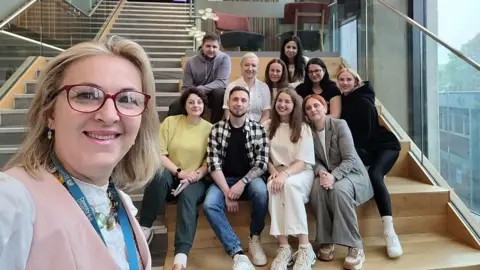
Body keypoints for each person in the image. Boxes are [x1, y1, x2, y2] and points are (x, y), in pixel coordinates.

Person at [0, 36, 161, 270]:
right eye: (86, 95)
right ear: (50, 113)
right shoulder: (12, 200)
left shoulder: (120, 202)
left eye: (127, 99)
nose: (109, 115)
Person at [139, 87, 213, 270]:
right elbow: (160, 154)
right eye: (191, 102)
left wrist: (193, 177)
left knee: (188, 198)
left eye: (199, 102)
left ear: (204, 106)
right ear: (184, 105)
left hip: (196, 179)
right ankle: (145, 228)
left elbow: (209, 161)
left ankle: (180, 257)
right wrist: (180, 173)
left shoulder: (210, 129)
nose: (195, 105)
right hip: (173, 173)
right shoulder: (170, 122)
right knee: (157, 175)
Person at [337, 68, 403, 258]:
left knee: (375, 175)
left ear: (356, 82)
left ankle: (390, 233)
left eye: (348, 79)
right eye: (341, 79)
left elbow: (363, 136)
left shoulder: (363, 102)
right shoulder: (345, 100)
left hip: (386, 147)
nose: (344, 83)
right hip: (368, 150)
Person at [303, 94, 374, 270]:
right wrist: (322, 173)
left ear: (325, 107)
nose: (313, 109)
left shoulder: (339, 125)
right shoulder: (308, 132)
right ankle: (327, 240)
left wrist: (333, 176)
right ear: (306, 114)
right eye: (309, 108)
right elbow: (313, 160)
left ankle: (355, 246)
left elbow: (350, 159)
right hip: (328, 174)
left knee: (339, 190)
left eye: (316, 105)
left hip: (353, 174)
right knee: (317, 190)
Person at [203, 86, 269, 270]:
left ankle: (255, 238)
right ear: (228, 103)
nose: (239, 103)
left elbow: (261, 164)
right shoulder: (216, 129)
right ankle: (237, 253)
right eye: (235, 99)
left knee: (261, 193)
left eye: (243, 100)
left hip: (249, 179)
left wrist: (242, 183)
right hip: (224, 179)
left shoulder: (258, 129)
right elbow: (213, 164)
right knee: (210, 205)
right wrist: (227, 192)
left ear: (248, 105)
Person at [263, 88, 316, 270]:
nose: (282, 105)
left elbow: (302, 161)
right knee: (273, 187)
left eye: (287, 102)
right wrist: (274, 172)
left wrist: (285, 175)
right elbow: (265, 157)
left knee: (290, 186)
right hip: (277, 172)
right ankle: (284, 247)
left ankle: (304, 247)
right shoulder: (268, 126)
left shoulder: (303, 128)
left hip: (300, 172)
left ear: (294, 106)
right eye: (280, 101)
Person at [168, 32, 231, 123]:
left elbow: (221, 82)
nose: (211, 49)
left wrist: (200, 88)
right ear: (202, 46)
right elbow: (187, 86)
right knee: (174, 106)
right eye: (208, 46)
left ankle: (214, 126)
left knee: (219, 92)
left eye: (214, 47)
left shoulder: (224, 58)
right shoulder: (191, 62)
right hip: (195, 94)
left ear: (219, 47)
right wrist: (195, 94)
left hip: (213, 95)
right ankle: (174, 131)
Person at [223, 52, 271, 124]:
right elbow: (227, 111)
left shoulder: (264, 87)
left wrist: (258, 129)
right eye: (246, 65)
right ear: (241, 66)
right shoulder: (231, 86)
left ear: (257, 68)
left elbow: (266, 114)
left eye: (253, 65)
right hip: (236, 126)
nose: (250, 68)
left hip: (258, 127)